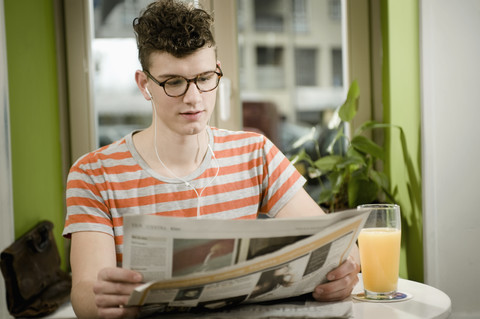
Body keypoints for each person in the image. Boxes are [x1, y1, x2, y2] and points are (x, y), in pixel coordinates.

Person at [63, 0, 360, 318]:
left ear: (218, 70)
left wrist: (345, 270)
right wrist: (104, 300)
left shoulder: (254, 153)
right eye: (173, 82)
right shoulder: (94, 174)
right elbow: (84, 292)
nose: (193, 98)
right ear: (144, 84)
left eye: (204, 78)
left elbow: (340, 248)